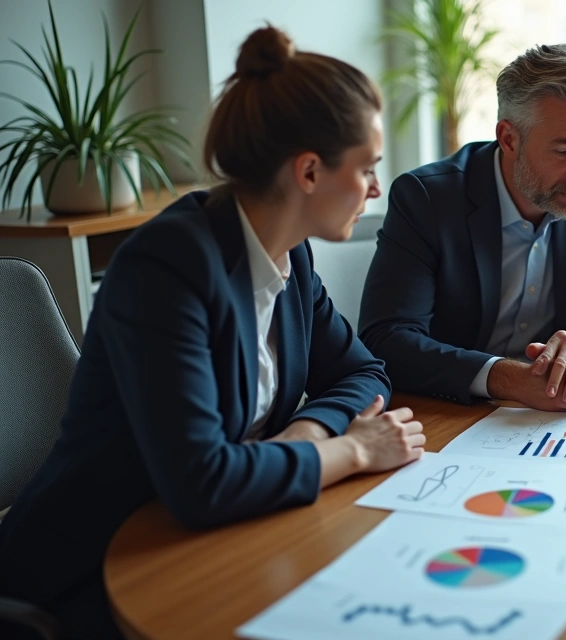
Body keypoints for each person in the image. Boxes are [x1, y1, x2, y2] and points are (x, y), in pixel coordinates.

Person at [0, 27, 426, 639]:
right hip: (95, 569)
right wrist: (353, 449)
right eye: (367, 168)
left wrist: (306, 432)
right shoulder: (166, 267)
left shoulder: (292, 256)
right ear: (308, 171)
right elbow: (202, 484)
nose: (376, 189)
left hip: (220, 538)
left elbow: (363, 372)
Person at [359, 44, 566, 412]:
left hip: (553, 417)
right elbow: (386, 339)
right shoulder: (427, 199)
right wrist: (509, 379)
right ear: (509, 139)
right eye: (564, 151)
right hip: (451, 412)